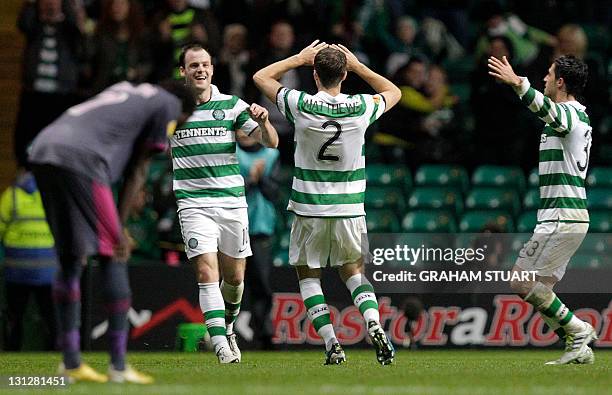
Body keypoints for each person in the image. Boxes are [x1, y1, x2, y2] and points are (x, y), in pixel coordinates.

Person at [28, 80, 196, 383]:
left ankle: (70, 363)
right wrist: (119, 229)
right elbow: (139, 170)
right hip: (85, 160)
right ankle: (118, 366)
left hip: (43, 150)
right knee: (114, 253)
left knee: (69, 257)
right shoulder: (170, 105)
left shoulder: (129, 90)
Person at [253, 41, 401, 365]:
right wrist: (360, 66)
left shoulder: (301, 103)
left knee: (308, 277)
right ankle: (374, 324)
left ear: (315, 75)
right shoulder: (362, 106)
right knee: (354, 274)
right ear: (344, 75)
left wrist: (298, 59)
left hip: (310, 209)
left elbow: (261, 77)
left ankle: (332, 343)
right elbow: (394, 92)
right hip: (349, 208)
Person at [172, 43, 278, 364]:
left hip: (232, 204)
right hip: (193, 204)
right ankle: (219, 345)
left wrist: (264, 121)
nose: (200, 70)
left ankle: (228, 327)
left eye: (205, 64)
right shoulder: (172, 109)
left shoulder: (231, 105)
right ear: (183, 72)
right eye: (193, 66)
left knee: (234, 279)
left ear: (212, 70)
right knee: (206, 273)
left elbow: (271, 142)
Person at [488, 55, 596, 365]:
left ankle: (579, 329)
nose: (545, 79)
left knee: (520, 281)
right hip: (567, 216)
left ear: (561, 81)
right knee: (541, 289)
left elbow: (547, 109)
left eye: (548, 75)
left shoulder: (570, 115)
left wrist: (518, 83)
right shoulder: (574, 117)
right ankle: (579, 349)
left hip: (562, 216)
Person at [0, 170, 57, 351]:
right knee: (51, 316)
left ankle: (11, 353)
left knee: (14, 316)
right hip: (47, 271)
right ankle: (56, 355)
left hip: (17, 271)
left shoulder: (11, 195)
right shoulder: (50, 194)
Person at [237, 133, 280, 350]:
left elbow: (275, 193)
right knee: (230, 281)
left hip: (261, 228)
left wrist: (261, 178)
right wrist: (250, 180)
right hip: (232, 226)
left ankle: (265, 335)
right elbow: (226, 189)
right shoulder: (230, 153)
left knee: (261, 283)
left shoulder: (271, 155)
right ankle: (224, 332)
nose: (244, 133)